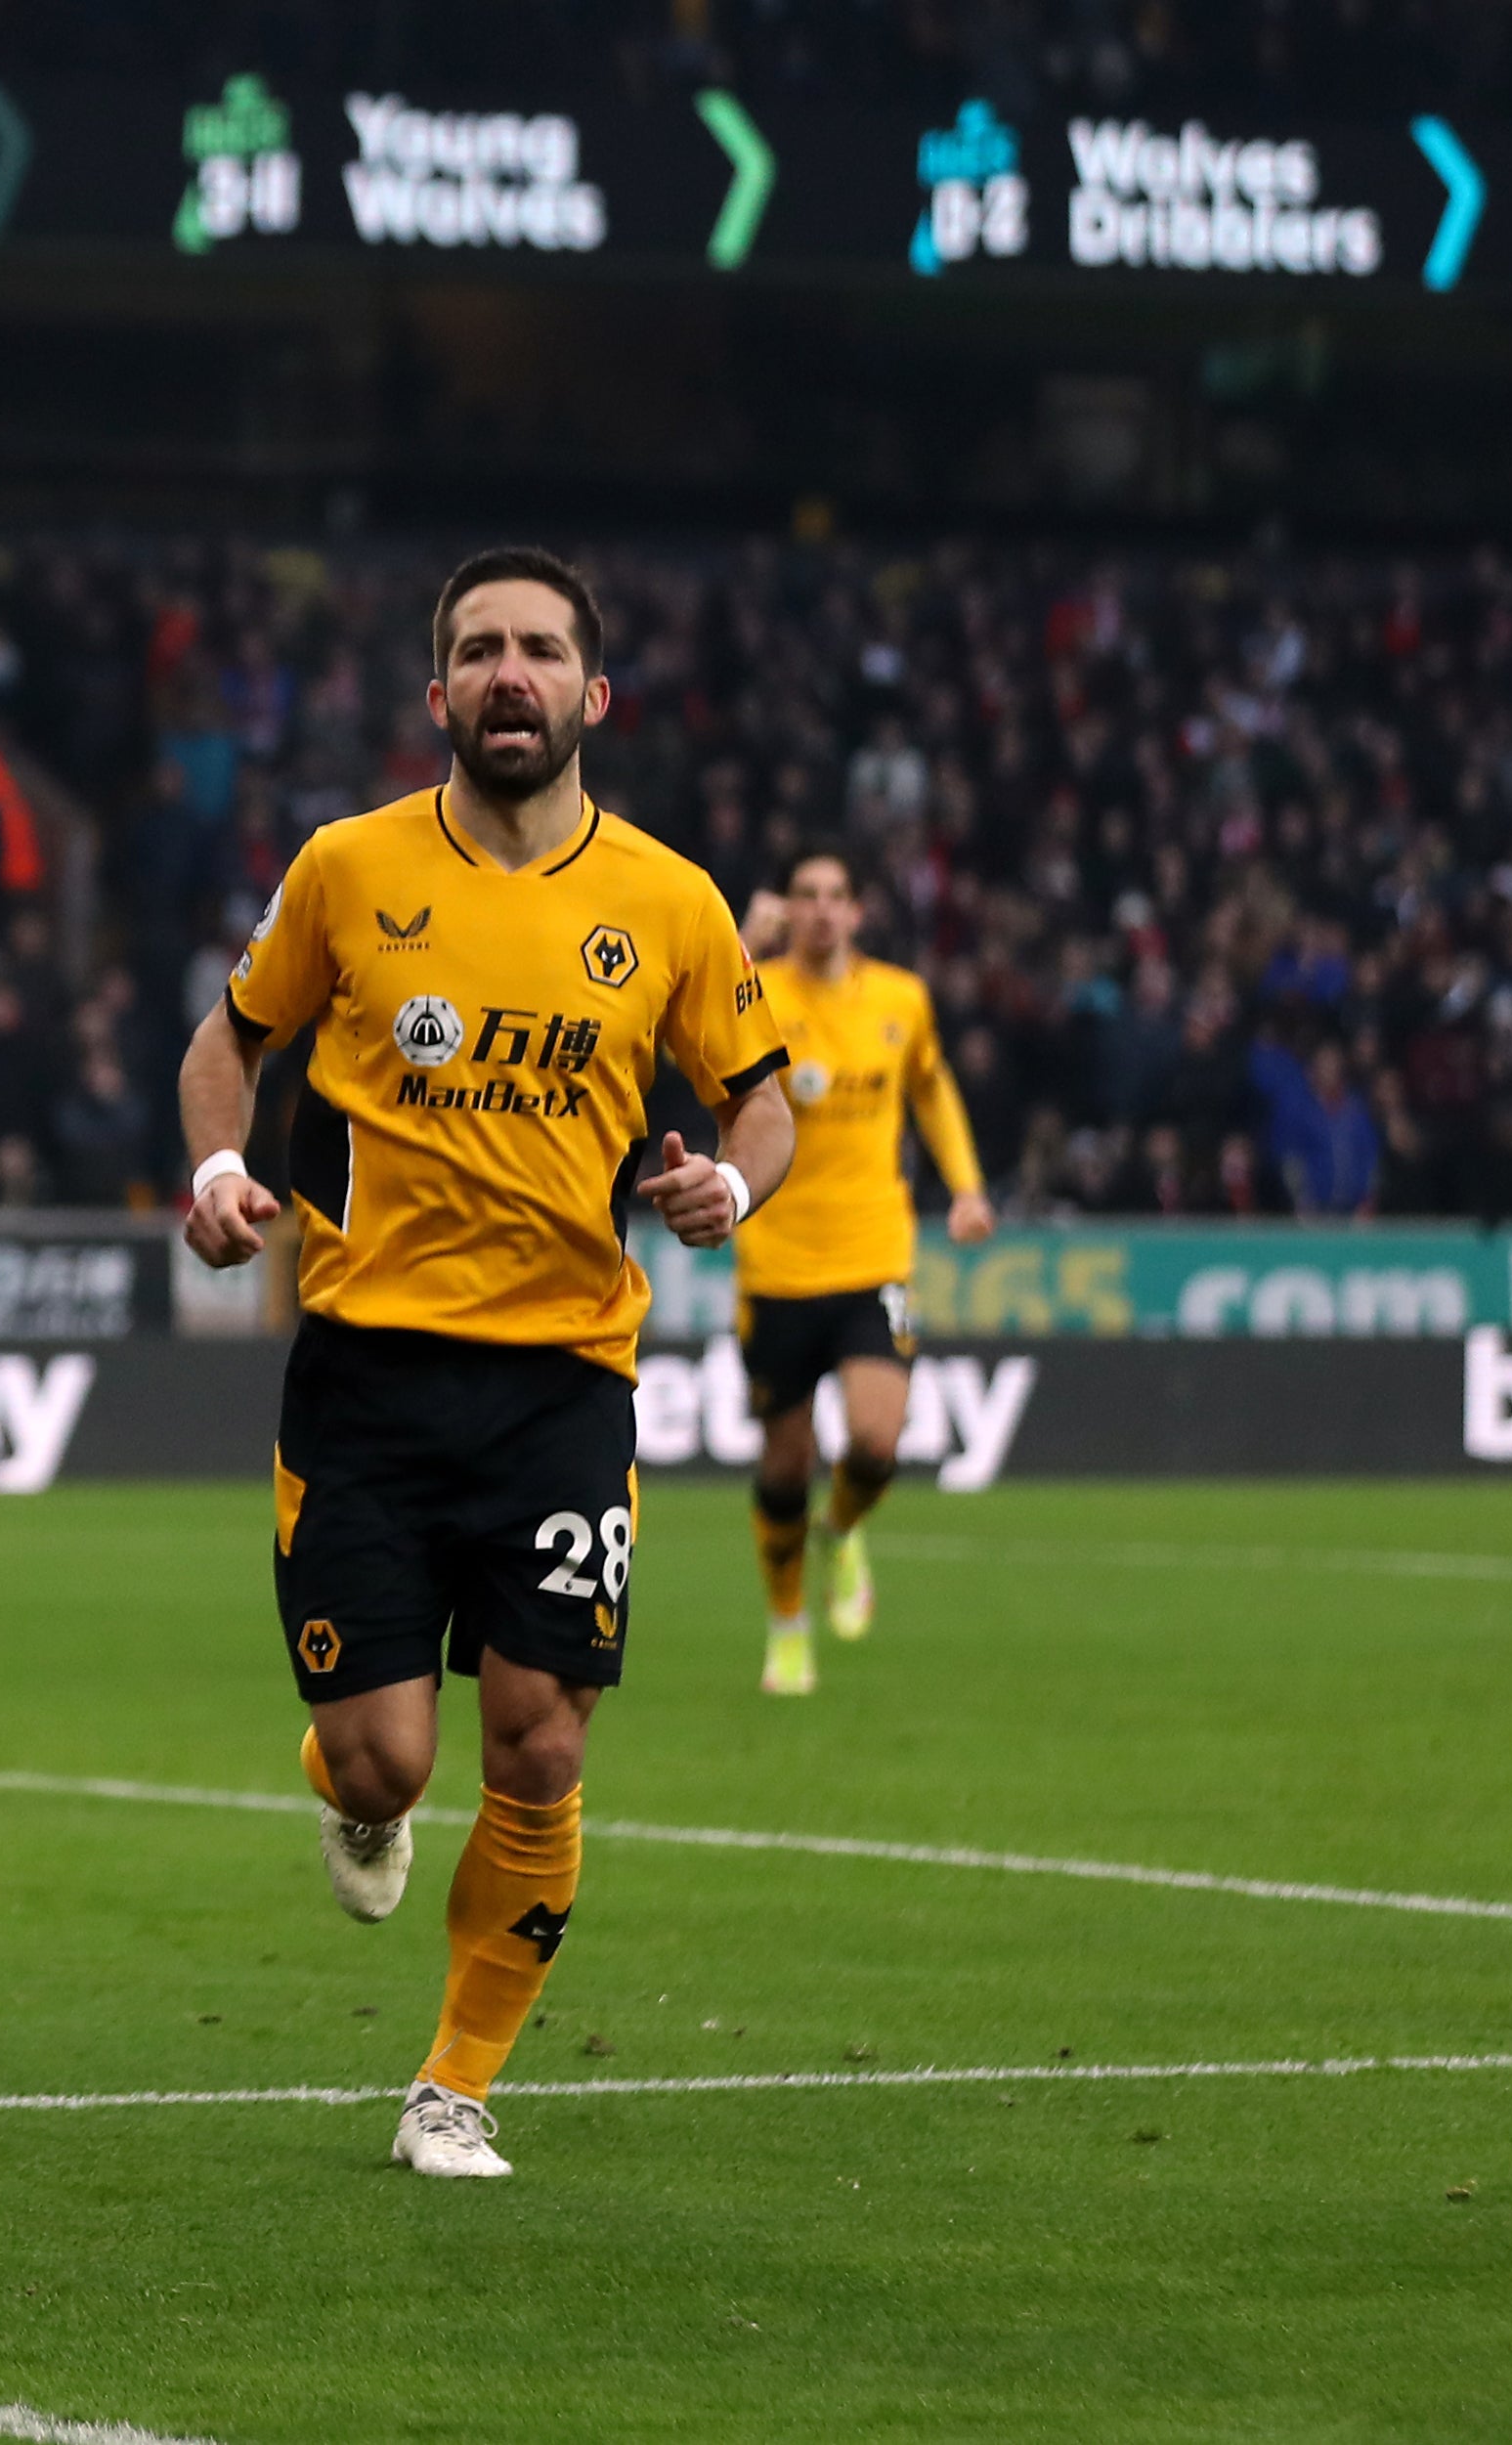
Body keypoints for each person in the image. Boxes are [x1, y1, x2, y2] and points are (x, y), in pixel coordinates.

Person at [179, 546, 790, 2182]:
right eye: (476, 650)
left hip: (564, 1388)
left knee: (542, 1737)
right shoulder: (346, 869)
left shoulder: (665, 899)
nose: (505, 673)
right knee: (389, 1751)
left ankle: (454, 2085)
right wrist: (215, 1170)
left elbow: (762, 1098)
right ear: (435, 694)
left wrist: (731, 1185)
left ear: (594, 696)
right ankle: (354, 1791)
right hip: (366, 1373)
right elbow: (230, 1038)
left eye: (537, 651)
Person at [729, 847, 992, 1696]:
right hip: (777, 1262)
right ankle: (787, 1624)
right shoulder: (758, 990)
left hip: (874, 1254)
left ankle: (839, 1529)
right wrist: (737, 941)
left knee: (878, 1442)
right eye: (804, 895)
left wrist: (966, 1187)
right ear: (789, 909)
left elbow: (933, 1088)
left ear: (857, 911)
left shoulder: (900, 998)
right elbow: (686, 1039)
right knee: (782, 1463)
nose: (819, 910)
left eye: (834, 896)